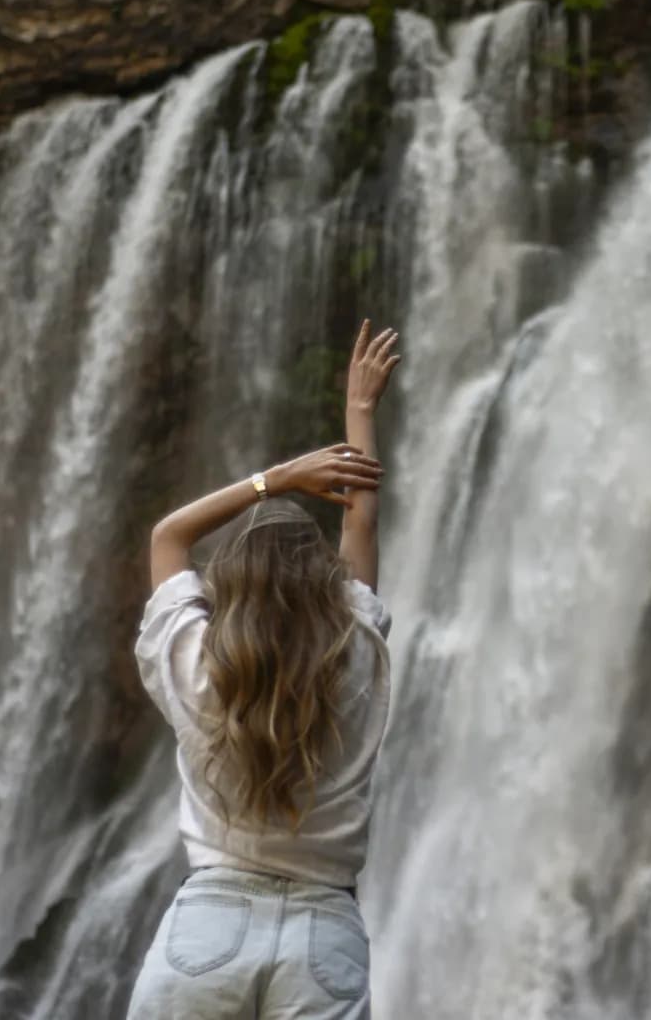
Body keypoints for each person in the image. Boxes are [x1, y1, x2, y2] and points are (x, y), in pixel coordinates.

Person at [126, 320, 402, 1020]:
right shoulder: (355, 660)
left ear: (229, 588)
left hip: (206, 931)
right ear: (327, 591)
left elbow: (169, 537)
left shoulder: (198, 669)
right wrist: (360, 412)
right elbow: (360, 528)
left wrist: (274, 479)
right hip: (323, 943)